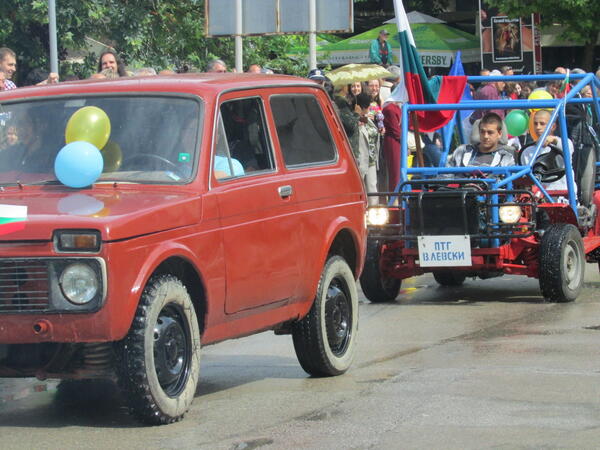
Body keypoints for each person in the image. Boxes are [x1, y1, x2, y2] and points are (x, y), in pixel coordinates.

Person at [520, 109, 575, 192]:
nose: (538, 127)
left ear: (553, 127)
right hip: (538, 195)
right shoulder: (528, 150)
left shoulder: (563, 143)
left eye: (542, 124)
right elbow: (524, 176)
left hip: (563, 191)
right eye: (535, 124)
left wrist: (554, 140)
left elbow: (568, 148)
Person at [448, 112, 515, 169]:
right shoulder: (462, 151)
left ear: (499, 134)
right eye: (482, 132)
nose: (485, 136)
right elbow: (445, 177)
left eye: (490, 132)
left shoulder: (506, 157)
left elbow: (511, 181)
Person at [355, 92, 380, 204]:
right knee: (359, 189)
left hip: (372, 158)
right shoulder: (355, 120)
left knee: (372, 187)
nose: (370, 108)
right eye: (368, 106)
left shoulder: (368, 118)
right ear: (363, 107)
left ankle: (375, 215)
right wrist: (357, 120)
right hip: (360, 159)